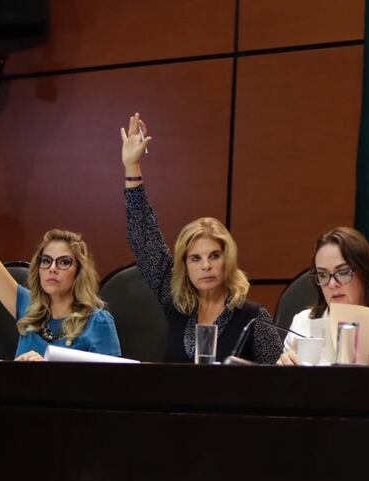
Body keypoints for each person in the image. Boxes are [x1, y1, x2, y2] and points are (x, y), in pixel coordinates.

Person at [121, 113, 282, 363]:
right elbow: (144, 239)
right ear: (185, 266)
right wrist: (132, 167)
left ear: (227, 261)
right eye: (195, 258)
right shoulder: (177, 304)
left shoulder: (252, 317)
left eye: (214, 256)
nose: (205, 265)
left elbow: (280, 380)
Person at [0, 150, 120, 360]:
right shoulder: (29, 307)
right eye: (46, 261)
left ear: (79, 272)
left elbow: (112, 385)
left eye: (64, 262)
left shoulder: (97, 322)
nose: (52, 268)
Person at [277, 227, 369, 366]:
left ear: (365, 272)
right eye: (323, 275)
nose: (332, 284)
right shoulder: (303, 322)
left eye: (343, 272)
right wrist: (284, 370)